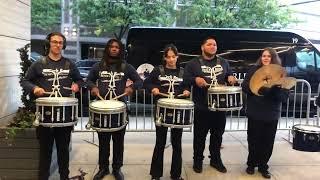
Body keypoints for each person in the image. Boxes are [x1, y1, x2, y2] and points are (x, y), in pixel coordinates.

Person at [22, 32, 83, 180]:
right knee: (45, 151)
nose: (57, 45)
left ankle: (64, 177)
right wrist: (34, 88)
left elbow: (80, 80)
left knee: (63, 150)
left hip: (64, 114)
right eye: (54, 42)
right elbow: (25, 81)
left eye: (60, 42)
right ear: (48, 43)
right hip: (46, 114)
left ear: (63, 45)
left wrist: (77, 85)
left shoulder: (69, 64)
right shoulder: (39, 64)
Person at [87, 38, 143, 180]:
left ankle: (117, 168)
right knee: (103, 141)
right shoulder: (98, 66)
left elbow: (139, 81)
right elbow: (88, 80)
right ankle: (103, 168)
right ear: (107, 49)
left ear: (120, 50)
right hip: (103, 109)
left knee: (119, 142)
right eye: (111, 47)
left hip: (120, 110)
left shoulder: (126, 67)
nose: (114, 49)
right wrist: (93, 87)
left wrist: (131, 88)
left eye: (117, 47)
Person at [183, 36, 237, 174]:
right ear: (202, 47)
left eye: (214, 44)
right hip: (202, 106)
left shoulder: (223, 62)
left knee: (217, 135)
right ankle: (198, 160)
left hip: (220, 107)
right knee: (200, 136)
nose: (213, 46)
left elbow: (229, 75)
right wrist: (195, 79)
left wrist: (231, 78)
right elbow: (185, 80)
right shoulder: (193, 63)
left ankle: (215, 160)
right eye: (209, 44)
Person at [241, 47, 290, 179]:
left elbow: (285, 96)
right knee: (253, 140)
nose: (266, 58)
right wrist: (259, 86)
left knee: (267, 142)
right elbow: (245, 87)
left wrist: (275, 89)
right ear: (261, 57)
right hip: (255, 112)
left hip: (271, 113)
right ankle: (251, 164)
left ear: (273, 58)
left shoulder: (281, 73)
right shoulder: (253, 70)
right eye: (264, 56)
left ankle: (263, 166)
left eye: (269, 56)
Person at [144, 44, 190, 180]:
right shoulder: (158, 71)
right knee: (160, 142)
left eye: (173, 57)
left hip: (178, 111)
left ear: (177, 57)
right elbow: (146, 83)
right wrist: (153, 88)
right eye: (168, 57)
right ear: (164, 57)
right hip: (161, 109)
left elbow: (187, 85)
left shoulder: (183, 72)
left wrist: (187, 90)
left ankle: (176, 175)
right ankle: (155, 175)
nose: (171, 59)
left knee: (177, 143)